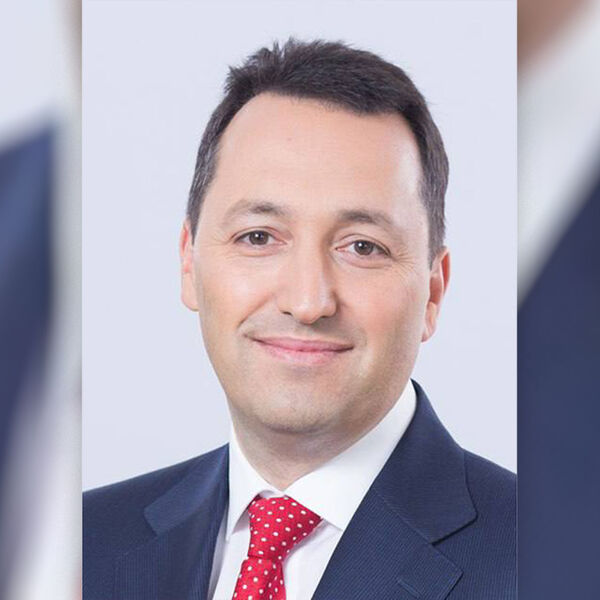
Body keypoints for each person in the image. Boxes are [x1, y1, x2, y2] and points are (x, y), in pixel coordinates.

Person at [83, 39, 515, 599]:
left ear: (433, 291)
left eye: (362, 246)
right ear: (189, 262)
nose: (308, 302)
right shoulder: (82, 546)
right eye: (258, 237)